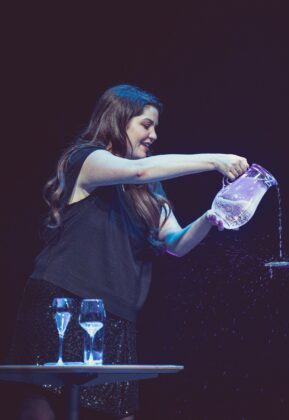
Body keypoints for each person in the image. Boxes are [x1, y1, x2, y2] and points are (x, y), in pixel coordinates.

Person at [6, 84, 250, 420]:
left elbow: (176, 243)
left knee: (114, 411)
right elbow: (139, 170)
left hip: (115, 315)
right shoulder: (87, 159)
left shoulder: (148, 189)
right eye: (146, 125)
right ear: (118, 121)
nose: (153, 135)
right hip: (62, 304)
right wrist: (214, 160)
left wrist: (210, 218)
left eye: (156, 128)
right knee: (43, 405)